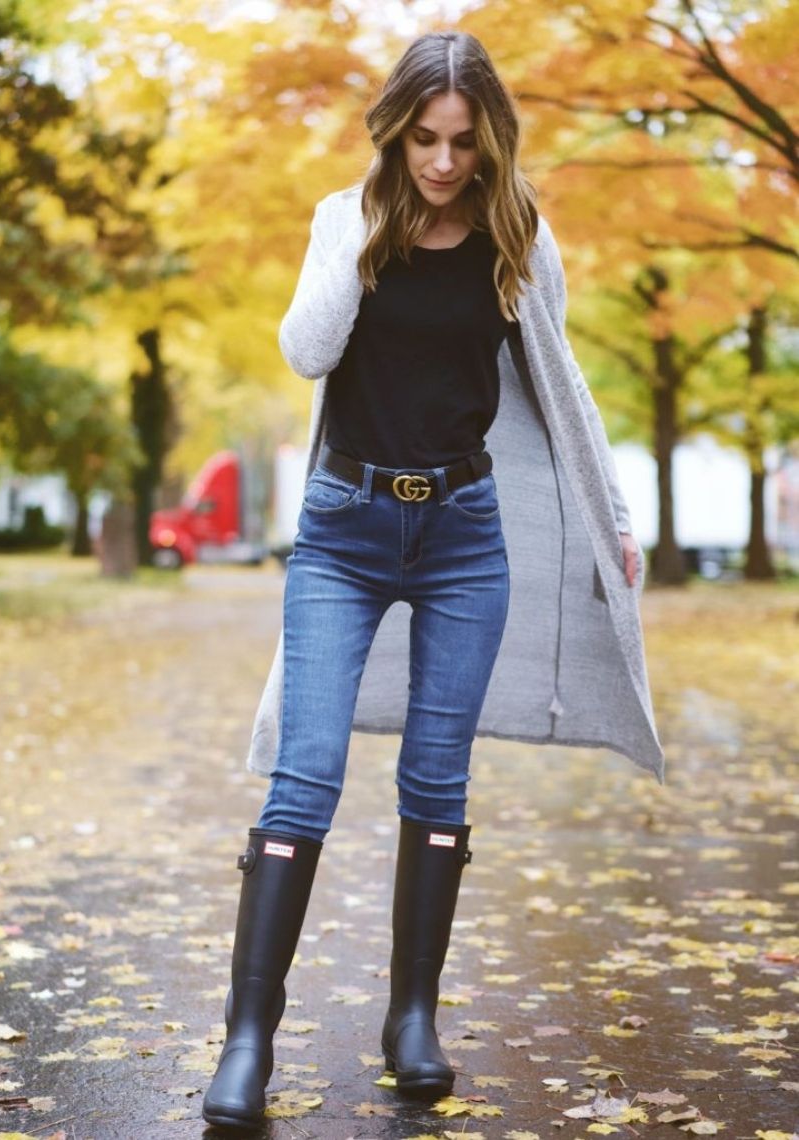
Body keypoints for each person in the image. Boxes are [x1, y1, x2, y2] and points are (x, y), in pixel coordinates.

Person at [203, 29, 664, 1131]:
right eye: (424, 138)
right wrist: (361, 232)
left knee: (436, 782)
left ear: (488, 139)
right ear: (395, 129)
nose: (444, 163)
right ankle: (247, 1039)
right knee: (302, 777)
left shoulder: (515, 234)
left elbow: (563, 386)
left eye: (463, 142)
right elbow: (306, 351)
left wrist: (610, 517)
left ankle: (412, 1020)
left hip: (462, 534)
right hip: (343, 534)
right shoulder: (342, 218)